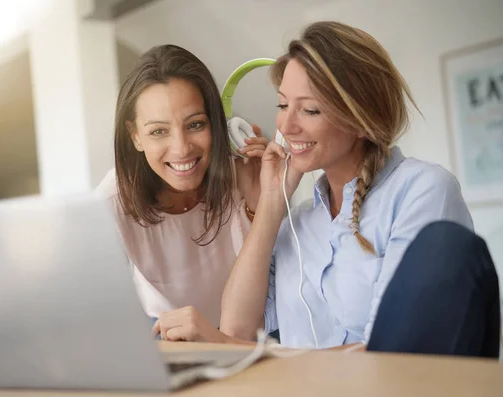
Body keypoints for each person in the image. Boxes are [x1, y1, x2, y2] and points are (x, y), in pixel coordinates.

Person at [152, 21, 501, 359]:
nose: (287, 126)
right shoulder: (298, 221)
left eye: (310, 110)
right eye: (283, 105)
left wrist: (231, 349)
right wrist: (273, 200)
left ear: (361, 118)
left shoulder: (422, 191)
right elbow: (237, 328)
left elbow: (390, 350)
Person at [97, 44, 268, 329]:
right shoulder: (110, 202)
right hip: (173, 343)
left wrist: (261, 202)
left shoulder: (242, 175)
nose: (181, 149)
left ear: (216, 124)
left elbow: (270, 288)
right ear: (135, 136)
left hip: (247, 337)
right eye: (158, 131)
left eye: (195, 125)